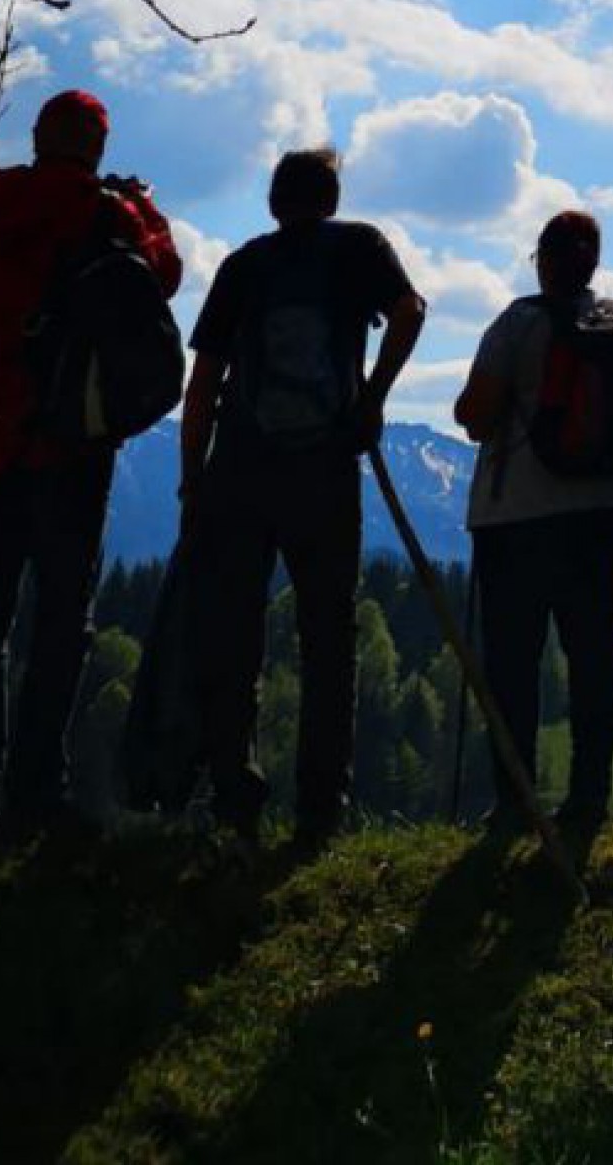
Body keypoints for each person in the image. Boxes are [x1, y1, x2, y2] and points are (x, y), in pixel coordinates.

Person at [0, 89, 181, 834]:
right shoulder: (105, 213)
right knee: (61, 615)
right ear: (98, 148)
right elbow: (161, 274)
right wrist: (143, 206)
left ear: (40, 135)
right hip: (67, 439)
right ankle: (35, 792)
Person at [180, 146, 425, 842]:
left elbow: (204, 382)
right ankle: (321, 809)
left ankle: (235, 797)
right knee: (328, 636)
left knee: (235, 632)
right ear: (332, 196)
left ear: (273, 200)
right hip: (324, 466)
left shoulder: (243, 265)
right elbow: (409, 312)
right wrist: (370, 399)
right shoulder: (359, 249)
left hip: (241, 467)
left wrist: (192, 476)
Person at [455, 209, 613, 840]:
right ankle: (589, 796)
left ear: (543, 260)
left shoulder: (516, 324)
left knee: (514, 662)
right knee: (595, 654)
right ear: (592, 263)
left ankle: (516, 802)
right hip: (609, 512)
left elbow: (477, 416)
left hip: (518, 515)